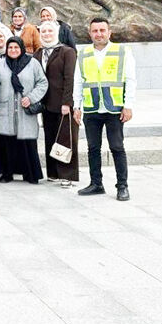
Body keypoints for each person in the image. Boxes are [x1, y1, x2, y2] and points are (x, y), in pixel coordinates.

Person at [72, 17, 135, 201]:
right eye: (95, 31)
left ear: (109, 32)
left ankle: (122, 186)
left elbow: (130, 80)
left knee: (116, 147)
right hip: (92, 108)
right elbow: (78, 81)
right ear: (90, 33)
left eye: (102, 30)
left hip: (114, 108)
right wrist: (77, 105)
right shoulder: (83, 54)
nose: (98, 34)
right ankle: (96, 183)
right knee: (93, 147)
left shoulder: (122, 52)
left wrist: (128, 105)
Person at [0, 37, 48, 184]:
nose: (13, 50)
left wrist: (31, 98)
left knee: (28, 142)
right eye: (10, 48)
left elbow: (42, 82)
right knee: (7, 143)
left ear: (22, 48)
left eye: (16, 47)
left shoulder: (33, 64)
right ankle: (7, 174)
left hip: (25, 109)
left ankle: (31, 174)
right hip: (6, 109)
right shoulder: (0, 65)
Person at [38, 20, 79, 186]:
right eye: (44, 32)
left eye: (50, 31)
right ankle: (53, 172)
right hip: (46, 104)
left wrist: (67, 102)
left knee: (66, 139)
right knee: (50, 138)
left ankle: (67, 175)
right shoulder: (38, 53)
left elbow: (70, 78)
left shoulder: (67, 52)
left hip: (63, 103)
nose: (47, 34)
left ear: (56, 32)